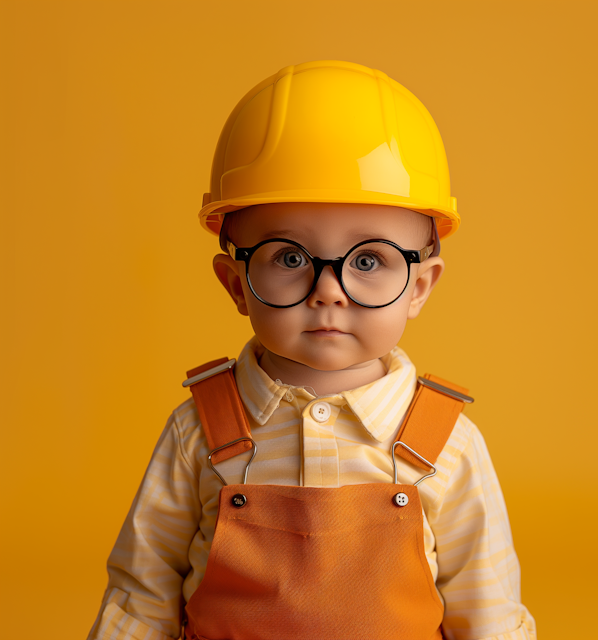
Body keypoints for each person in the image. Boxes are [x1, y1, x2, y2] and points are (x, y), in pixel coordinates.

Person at [88, 60, 536, 640]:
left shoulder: (446, 442)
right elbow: (140, 595)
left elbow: (489, 610)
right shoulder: (198, 431)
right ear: (234, 284)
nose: (328, 290)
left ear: (419, 287)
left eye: (369, 260)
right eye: (289, 258)